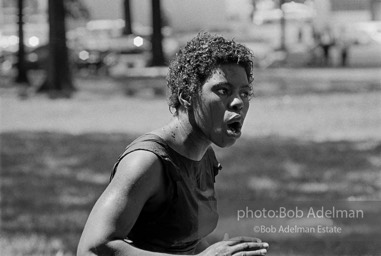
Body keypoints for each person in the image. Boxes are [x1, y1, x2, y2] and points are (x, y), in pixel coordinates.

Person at [77, 32, 269, 256]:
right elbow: (93, 248)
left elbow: (179, 238)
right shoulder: (146, 163)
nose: (238, 102)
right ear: (187, 95)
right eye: (223, 91)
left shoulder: (204, 155)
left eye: (245, 93)